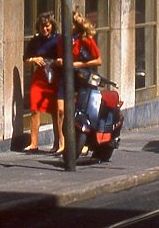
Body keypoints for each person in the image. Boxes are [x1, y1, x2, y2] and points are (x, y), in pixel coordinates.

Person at [56, 12, 102, 155]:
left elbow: (98, 60)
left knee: (81, 110)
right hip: (66, 75)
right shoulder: (63, 40)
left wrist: (79, 64)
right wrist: (60, 61)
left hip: (82, 77)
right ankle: (62, 143)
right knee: (61, 110)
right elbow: (61, 56)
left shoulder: (86, 39)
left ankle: (83, 142)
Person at [23, 12, 62, 153]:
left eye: (47, 26)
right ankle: (33, 143)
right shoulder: (35, 41)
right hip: (39, 76)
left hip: (54, 75)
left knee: (55, 111)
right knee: (34, 108)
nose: (44, 29)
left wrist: (57, 63)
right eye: (42, 26)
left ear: (52, 25)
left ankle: (58, 143)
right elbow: (25, 59)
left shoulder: (58, 39)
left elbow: (64, 57)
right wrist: (34, 60)